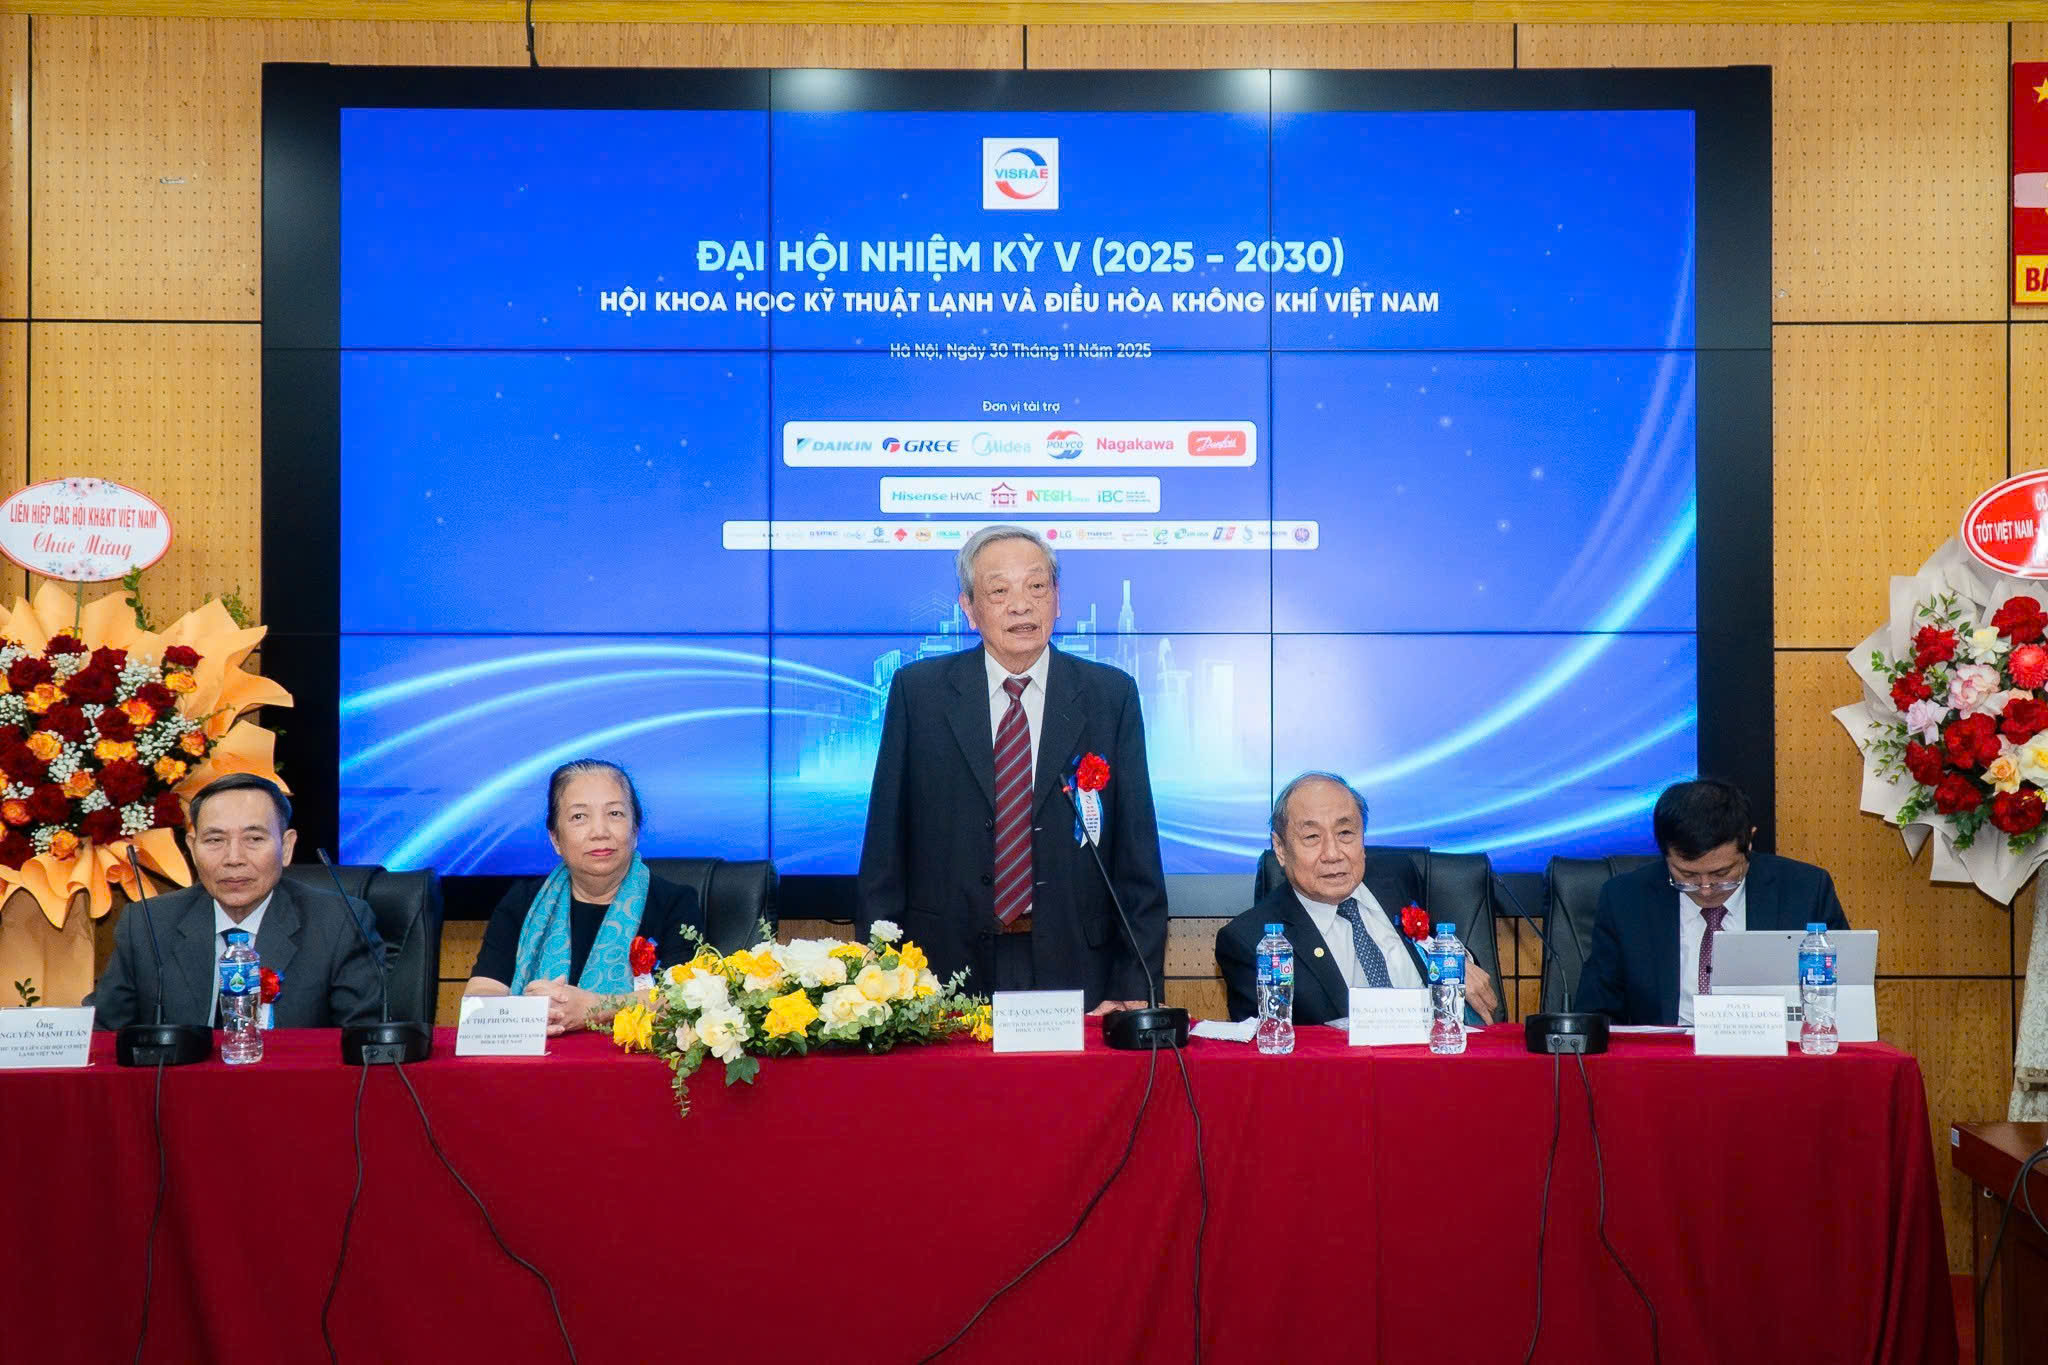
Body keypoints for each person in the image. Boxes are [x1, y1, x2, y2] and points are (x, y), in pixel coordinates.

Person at [857, 525, 1167, 1013]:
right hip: (940, 969)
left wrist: (1133, 985)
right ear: (969, 608)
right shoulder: (920, 693)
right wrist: (883, 981)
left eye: (1036, 586)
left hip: (1079, 966)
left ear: (1057, 600)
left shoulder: (1110, 696)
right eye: (999, 591)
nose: (1021, 605)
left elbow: (1137, 857)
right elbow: (884, 853)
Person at [89, 773, 382, 1030]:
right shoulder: (149, 925)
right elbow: (100, 1035)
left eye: (254, 839)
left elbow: (366, 1043)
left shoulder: (340, 923)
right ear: (192, 848)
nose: (233, 859)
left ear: (286, 847)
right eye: (215, 840)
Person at [1216, 772, 1499, 1024]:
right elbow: (1268, 1048)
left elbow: (1433, 942)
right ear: (1280, 848)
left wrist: (1460, 962)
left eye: (1345, 833)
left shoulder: (1395, 878)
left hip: (1438, 1055)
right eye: (1312, 837)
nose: (1332, 854)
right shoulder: (1248, 942)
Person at [1575, 778, 1849, 1026]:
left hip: (1773, 1053)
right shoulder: (1625, 899)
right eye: (1687, 875)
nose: (1705, 890)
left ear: (1749, 842)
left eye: (1721, 874)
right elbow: (1596, 1012)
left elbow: (1847, 994)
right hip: (1665, 1057)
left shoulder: (1805, 890)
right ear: (1664, 853)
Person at [464, 759, 705, 1035]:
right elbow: (482, 994)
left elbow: (684, 1000)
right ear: (555, 839)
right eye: (579, 817)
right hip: (535, 1060)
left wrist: (596, 1008)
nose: (599, 832)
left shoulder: (675, 903)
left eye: (615, 813)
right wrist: (532, 1012)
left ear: (635, 831)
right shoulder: (522, 903)